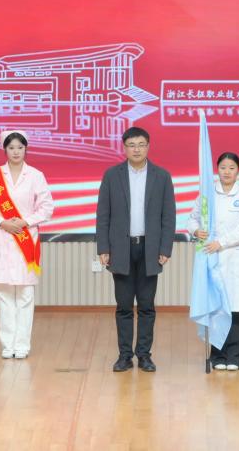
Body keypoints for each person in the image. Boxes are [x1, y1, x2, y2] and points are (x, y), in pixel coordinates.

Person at [95, 126, 176, 373]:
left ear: (148, 146)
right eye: (131, 145)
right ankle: (124, 356)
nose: (137, 149)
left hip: (150, 249)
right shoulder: (112, 175)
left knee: (147, 306)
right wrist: (103, 247)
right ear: (124, 148)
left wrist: (165, 247)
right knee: (123, 306)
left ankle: (144, 355)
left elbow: (168, 216)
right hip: (121, 248)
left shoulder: (162, 176)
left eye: (141, 144)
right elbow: (103, 214)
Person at [0, 131, 55, 359]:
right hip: (2, 237)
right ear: (5, 150)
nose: (16, 152)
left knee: (26, 295)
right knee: (4, 295)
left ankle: (22, 346)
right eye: (11, 148)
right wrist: (2, 222)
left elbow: (47, 207)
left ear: (26, 149)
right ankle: (7, 345)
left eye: (20, 147)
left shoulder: (36, 175)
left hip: (26, 237)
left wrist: (25, 221)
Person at [186, 151, 239, 371]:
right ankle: (217, 355)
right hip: (211, 257)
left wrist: (222, 243)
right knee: (215, 307)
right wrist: (195, 230)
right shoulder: (207, 195)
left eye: (231, 168)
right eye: (223, 167)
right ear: (217, 169)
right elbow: (192, 219)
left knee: (236, 308)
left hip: (235, 257)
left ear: (238, 171)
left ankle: (235, 356)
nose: (227, 172)